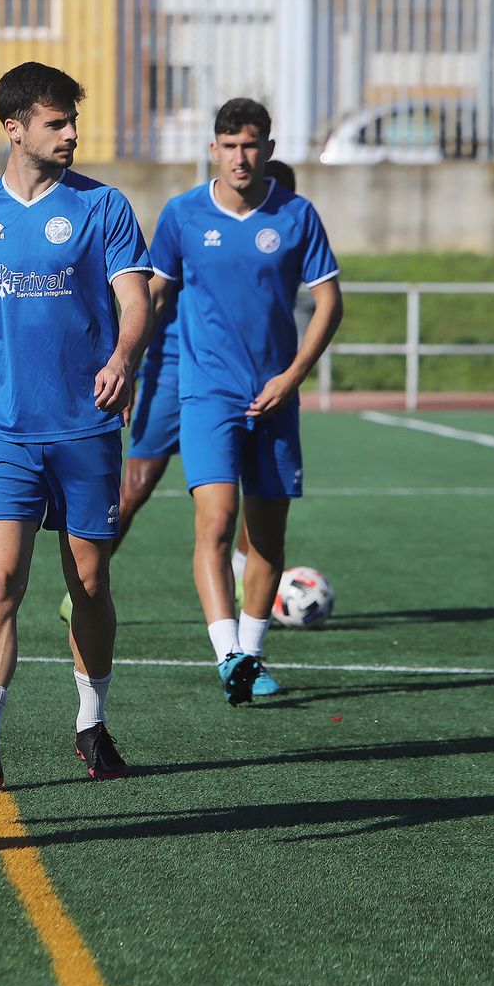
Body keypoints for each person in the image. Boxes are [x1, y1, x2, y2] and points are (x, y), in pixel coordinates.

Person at [0, 61, 154, 790]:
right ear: (15, 128)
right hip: (4, 432)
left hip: (85, 429)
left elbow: (135, 300)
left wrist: (123, 357)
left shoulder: (104, 207)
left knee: (88, 582)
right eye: (56, 122)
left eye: (72, 121)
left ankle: (91, 722)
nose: (71, 134)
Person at [59, 158, 303, 700]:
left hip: (240, 381)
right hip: (173, 370)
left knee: (255, 495)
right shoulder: (194, 221)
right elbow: (151, 297)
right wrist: (129, 366)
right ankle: (85, 581)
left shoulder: (285, 230)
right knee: (138, 483)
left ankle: (242, 589)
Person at [148, 98, 342, 705]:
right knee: (216, 521)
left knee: (267, 538)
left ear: (268, 150)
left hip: (276, 397)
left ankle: (252, 656)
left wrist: (293, 376)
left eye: (251, 145)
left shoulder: (297, 215)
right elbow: (154, 296)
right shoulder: (182, 215)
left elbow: (330, 303)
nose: (240, 157)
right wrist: (124, 362)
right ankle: (228, 652)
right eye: (229, 146)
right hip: (207, 392)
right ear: (213, 149)